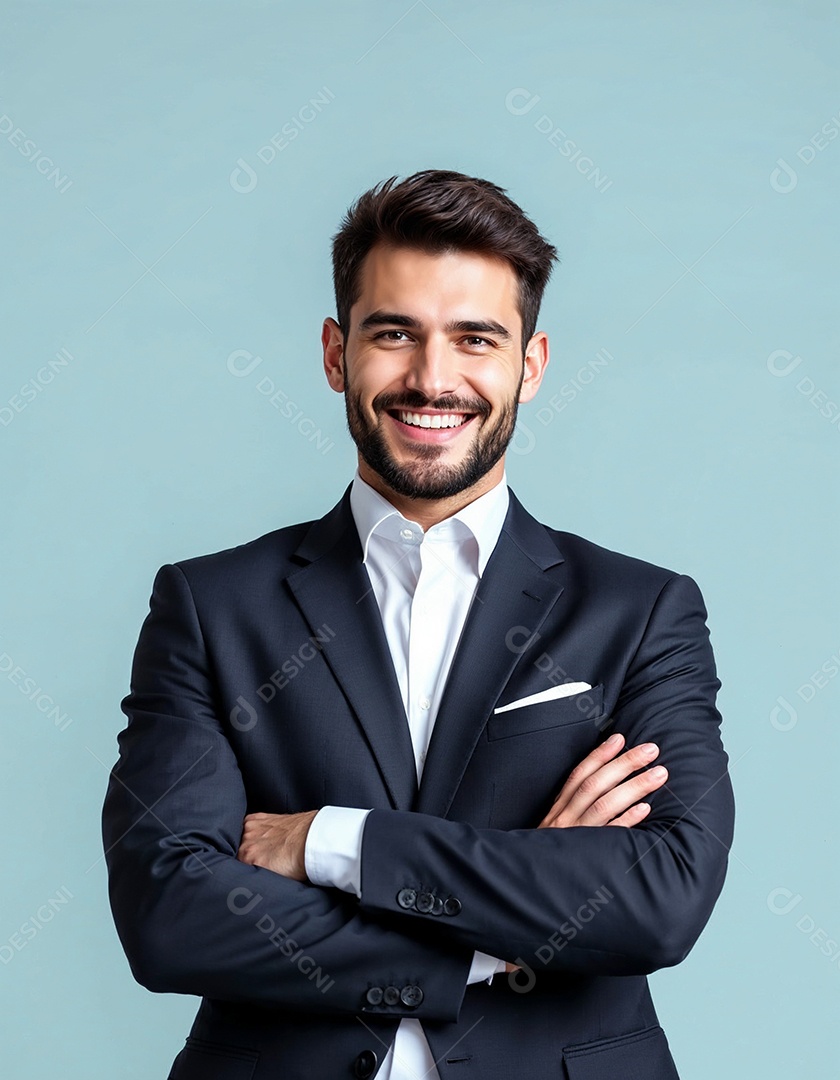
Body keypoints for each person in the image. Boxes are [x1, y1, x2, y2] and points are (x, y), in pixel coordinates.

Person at [102, 169, 735, 1080]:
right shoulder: (210, 606)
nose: (432, 379)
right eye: (394, 333)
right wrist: (505, 930)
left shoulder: (641, 612)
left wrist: (329, 840)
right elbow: (171, 915)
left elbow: (663, 896)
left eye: (475, 339)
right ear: (335, 353)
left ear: (532, 363)